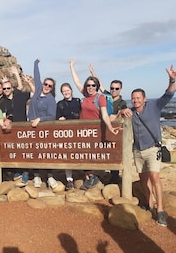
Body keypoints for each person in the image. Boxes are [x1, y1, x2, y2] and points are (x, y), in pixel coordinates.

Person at [120, 65, 176, 227]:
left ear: (144, 98)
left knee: (155, 177)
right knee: (143, 180)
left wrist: (172, 79)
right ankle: (150, 205)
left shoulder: (155, 106)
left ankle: (160, 210)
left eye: (138, 98)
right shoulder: (130, 111)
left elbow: (169, 93)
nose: (136, 100)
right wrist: (122, 111)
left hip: (153, 149)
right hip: (137, 151)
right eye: (133, 98)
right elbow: (117, 117)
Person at [69, 60, 120, 190]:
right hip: (82, 131)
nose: (90, 87)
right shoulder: (85, 95)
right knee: (82, 153)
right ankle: (90, 177)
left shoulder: (100, 98)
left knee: (90, 154)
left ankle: (92, 177)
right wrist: (71, 67)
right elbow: (77, 82)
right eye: (88, 85)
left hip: (94, 131)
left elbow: (104, 115)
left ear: (97, 86)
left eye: (93, 85)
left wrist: (110, 127)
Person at [89, 65, 128, 184]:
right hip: (103, 129)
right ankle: (98, 175)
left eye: (116, 88)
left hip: (115, 131)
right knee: (102, 152)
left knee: (114, 153)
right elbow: (99, 85)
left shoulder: (123, 103)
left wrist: (117, 115)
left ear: (120, 89)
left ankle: (115, 177)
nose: (114, 90)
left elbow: (124, 117)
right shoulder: (107, 97)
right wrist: (93, 72)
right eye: (112, 88)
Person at [28, 58, 57, 188]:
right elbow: (36, 75)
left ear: (52, 89)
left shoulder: (51, 100)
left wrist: (40, 119)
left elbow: (52, 115)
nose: (46, 87)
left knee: (45, 152)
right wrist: (36, 63)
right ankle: (36, 176)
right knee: (34, 151)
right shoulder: (38, 89)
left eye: (49, 86)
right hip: (31, 127)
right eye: (46, 84)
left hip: (43, 129)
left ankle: (50, 176)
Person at [56, 82, 82, 190]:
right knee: (68, 155)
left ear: (71, 90)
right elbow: (57, 118)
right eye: (64, 91)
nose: (66, 92)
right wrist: (60, 119)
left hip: (79, 132)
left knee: (82, 153)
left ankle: (87, 175)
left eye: (67, 90)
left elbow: (83, 114)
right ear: (62, 93)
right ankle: (69, 180)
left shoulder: (78, 101)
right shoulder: (60, 104)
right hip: (66, 133)